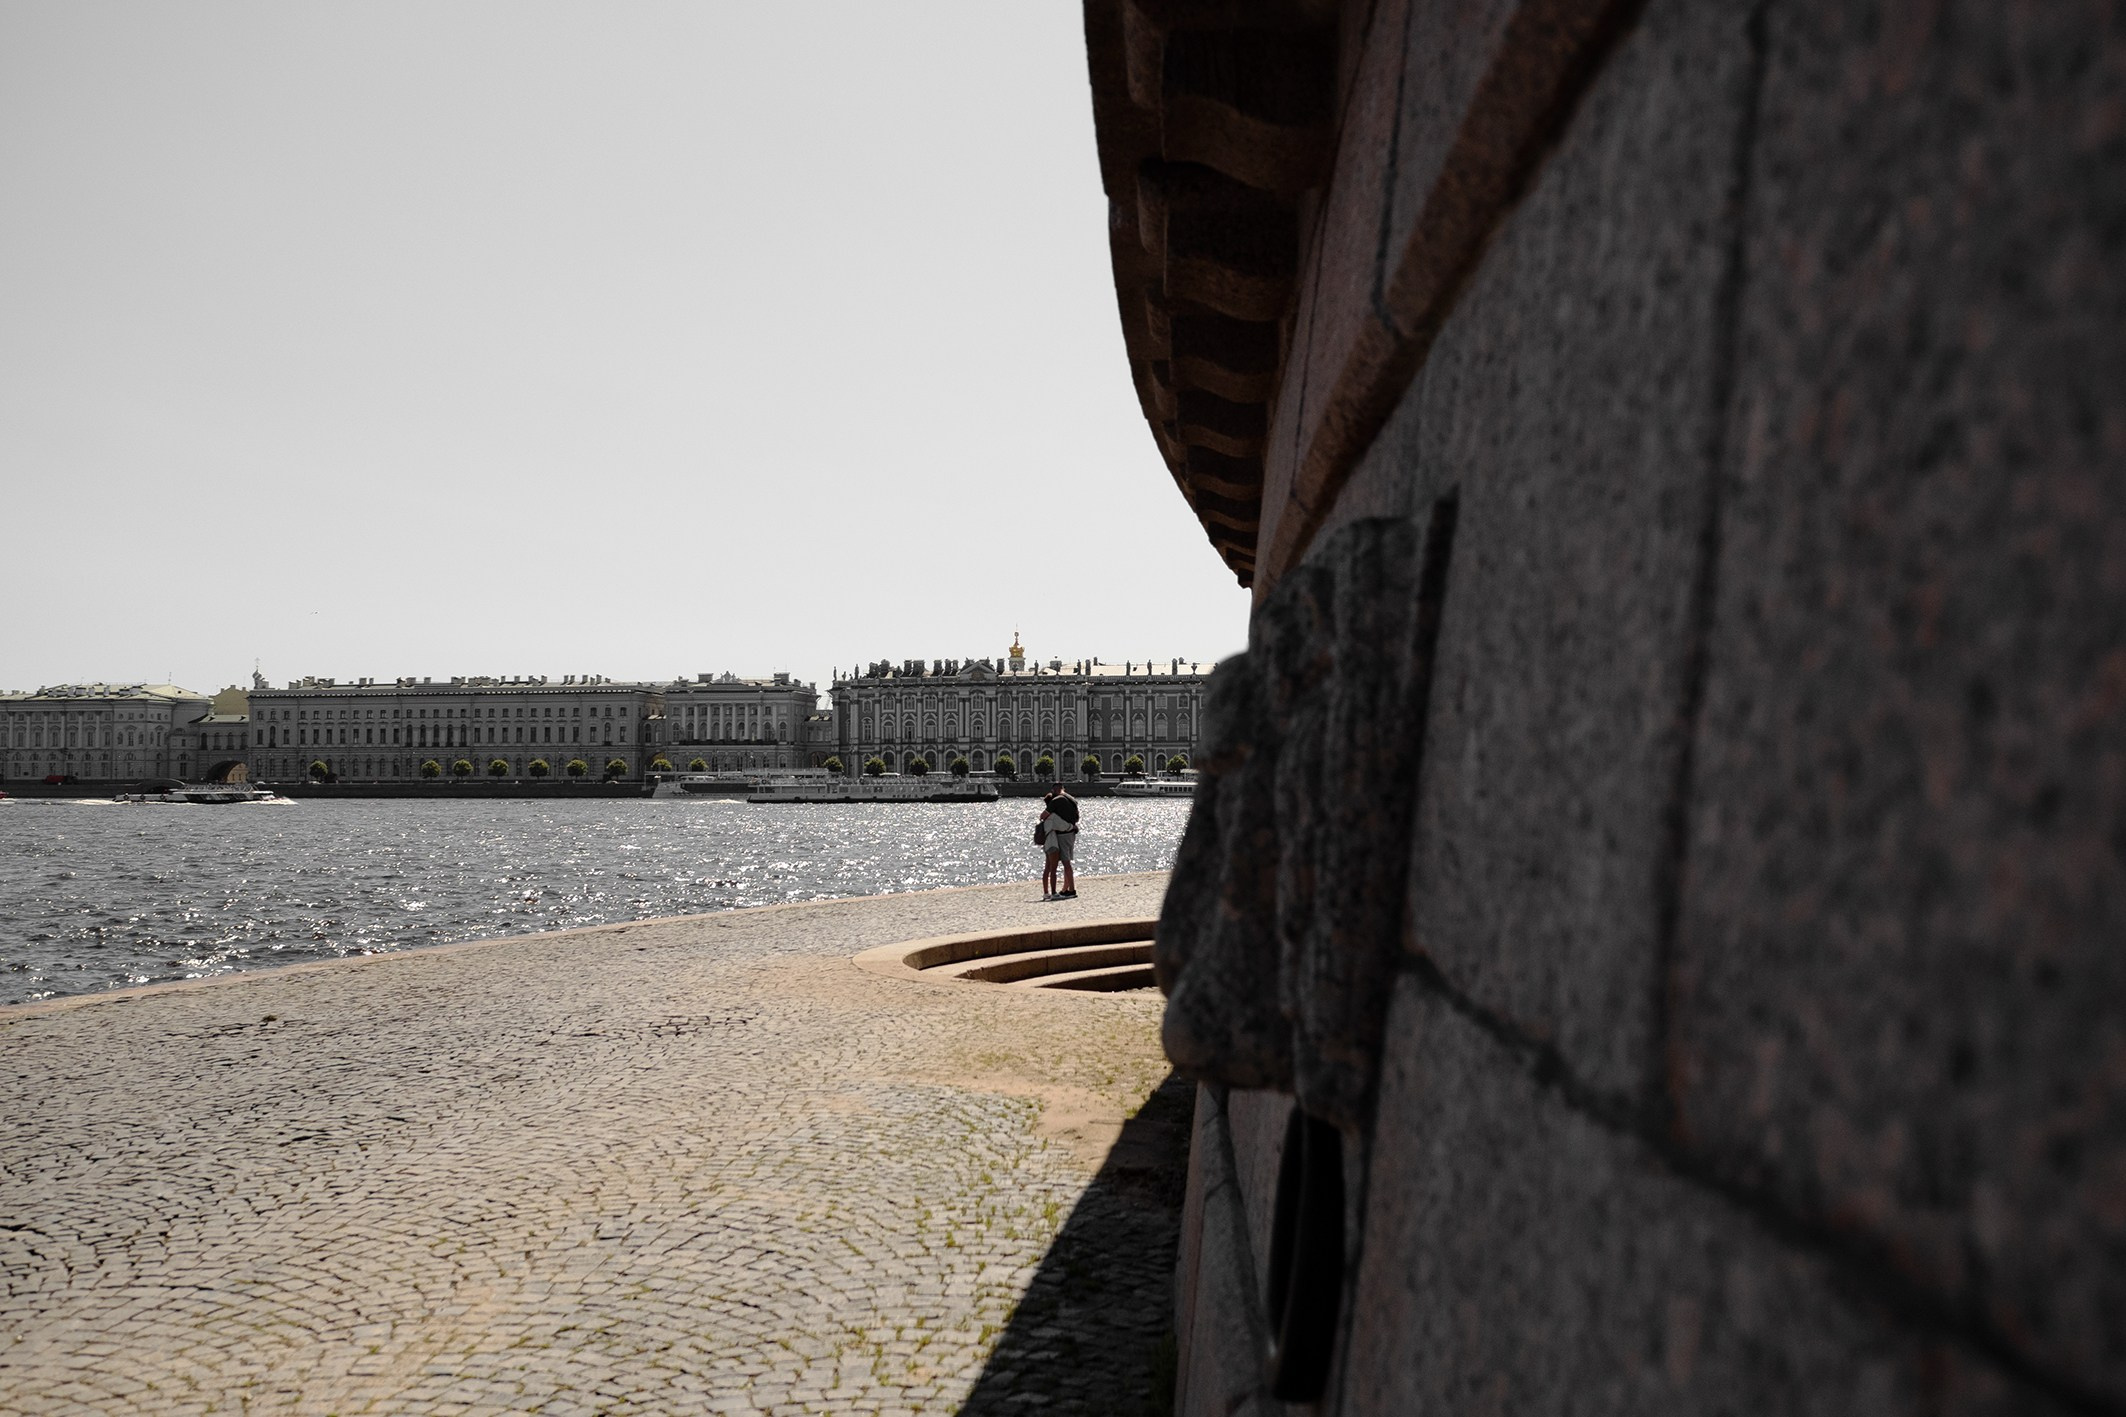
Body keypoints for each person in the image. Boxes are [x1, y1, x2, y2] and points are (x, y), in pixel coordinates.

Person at [1040, 783, 1080, 900]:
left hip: (1061, 836)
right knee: (1067, 862)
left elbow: (1043, 816)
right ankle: (1065, 889)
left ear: (1054, 789)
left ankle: (1070, 889)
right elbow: (1076, 816)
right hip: (1071, 835)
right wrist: (1073, 826)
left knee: (1063, 863)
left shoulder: (1056, 801)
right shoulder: (1071, 799)